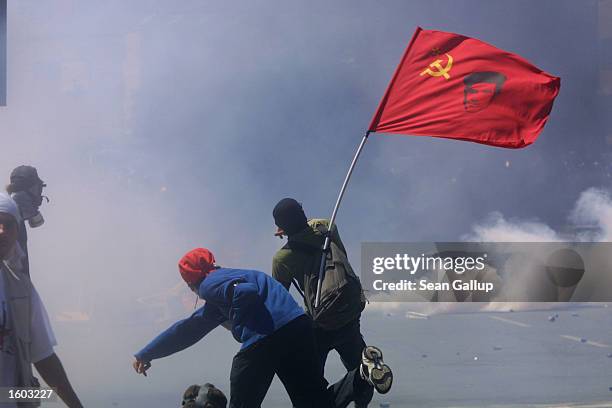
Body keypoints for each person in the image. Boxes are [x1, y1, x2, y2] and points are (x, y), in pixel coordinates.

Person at [133, 248, 392, 408]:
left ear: (191, 280)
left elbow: (243, 295)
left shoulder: (209, 284)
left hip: (263, 340)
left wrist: (238, 327)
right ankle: (361, 373)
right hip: (299, 328)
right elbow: (188, 330)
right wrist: (147, 353)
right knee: (315, 403)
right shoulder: (237, 276)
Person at [271, 198, 373, 408]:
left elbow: (280, 302)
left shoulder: (282, 259)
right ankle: (363, 390)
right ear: (303, 211)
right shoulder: (328, 227)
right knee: (360, 368)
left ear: (282, 228)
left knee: (311, 384)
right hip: (349, 313)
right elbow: (342, 258)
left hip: (318, 325)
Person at [0, 193, 83, 408]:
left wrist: (76, 405)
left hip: (10, 399)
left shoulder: (21, 289)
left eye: (9, 225)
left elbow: (43, 357)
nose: (2, 231)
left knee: (42, 396)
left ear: (17, 231)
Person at [5, 165, 48, 277]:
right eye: (38, 189)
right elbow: (14, 267)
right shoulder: (11, 220)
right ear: (31, 189)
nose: (39, 195)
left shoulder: (13, 216)